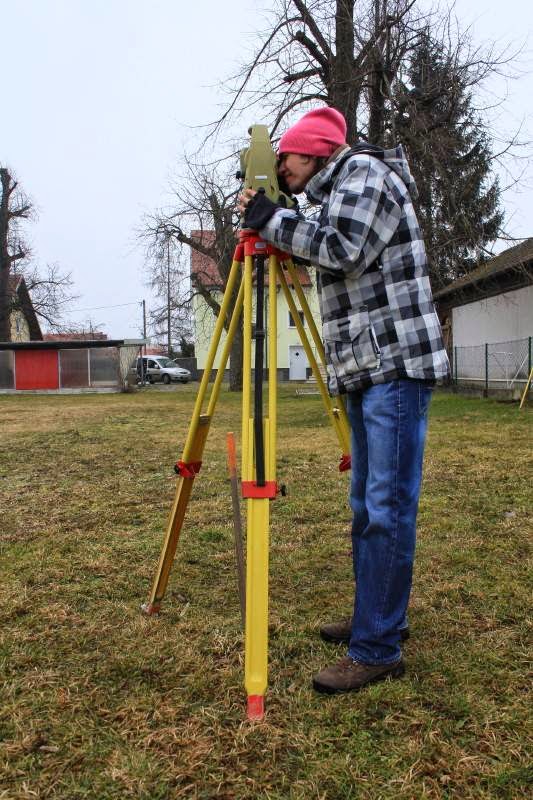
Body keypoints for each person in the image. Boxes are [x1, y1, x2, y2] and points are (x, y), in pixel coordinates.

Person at [238, 106, 450, 695]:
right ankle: (378, 620)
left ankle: (377, 649)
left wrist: (273, 221)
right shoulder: (337, 191)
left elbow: (344, 248)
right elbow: (326, 245)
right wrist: (278, 221)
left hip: (394, 366)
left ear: (314, 152)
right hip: (364, 368)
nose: (279, 167)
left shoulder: (365, 176)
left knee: (386, 507)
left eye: (286, 156)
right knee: (365, 506)